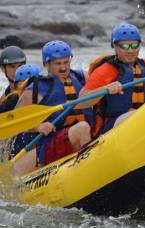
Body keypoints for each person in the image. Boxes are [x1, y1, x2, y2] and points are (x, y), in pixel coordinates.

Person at [12, 40, 92, 176]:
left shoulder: (81, 77)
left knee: (85, 127)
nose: (63, 68)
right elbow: (16, 122)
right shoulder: (37, 89)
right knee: (82, 127)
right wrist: (38, 127)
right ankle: (89, 171)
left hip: (78, 137)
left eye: (66, 62)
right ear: (46, 65)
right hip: (51, 142)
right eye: (57, 64)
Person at [0, 46, 26, 113]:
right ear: (3, 68)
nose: (17, 70)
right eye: (12, 66)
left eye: (20, 66)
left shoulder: (34, 88)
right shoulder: (3, 99)